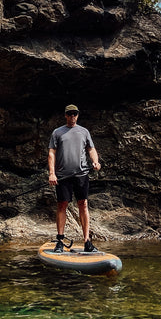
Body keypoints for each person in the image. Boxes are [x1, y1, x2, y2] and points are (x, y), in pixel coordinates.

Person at [48, 104, 101, 253]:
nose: (72, 116)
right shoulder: (57, 132)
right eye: (70, 114)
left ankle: (87, 242)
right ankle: (60, 240)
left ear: (77, 115)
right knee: (62, 205)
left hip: (81, 174)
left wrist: (95, 162)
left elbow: (91, 149)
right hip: (63, 176)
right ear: (65, 115)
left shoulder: (84, 132)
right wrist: (52, 173)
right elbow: (52, 153)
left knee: (83, 204)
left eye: (75, 114)